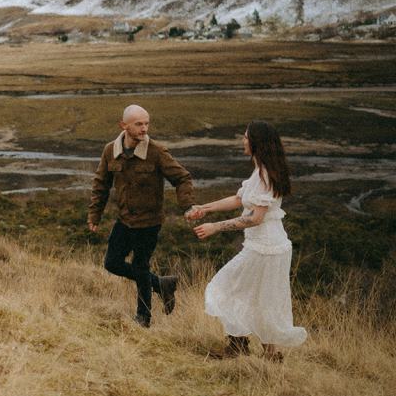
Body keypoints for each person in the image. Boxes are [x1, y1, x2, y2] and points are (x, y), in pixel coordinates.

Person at [188, 120, 307, 361]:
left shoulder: (265, 175)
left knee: (224, 288)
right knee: (262, 300)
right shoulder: (260, 171)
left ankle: (239, 347)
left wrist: (215, 227)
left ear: (256, 142)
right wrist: (205, 208)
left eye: (245, 137)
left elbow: (255, 218)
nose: (243, 141)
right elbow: (238, 199)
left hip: (266, 247)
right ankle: (269, 356)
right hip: (269, 246)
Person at [89, 104, 196, 327]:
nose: (144, 128)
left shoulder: (156, 152)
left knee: (140, 266)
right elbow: (101, 184)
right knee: (112, 263)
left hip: (149, 222)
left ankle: (143, 317)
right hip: (124, 219)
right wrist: (94, 215)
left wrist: (187, 206)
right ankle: (161, 284)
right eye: (139, 124)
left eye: (147, 123)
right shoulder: (110, 150)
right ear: (123, 125)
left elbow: (182, 178)